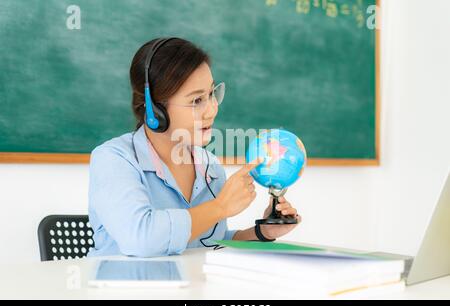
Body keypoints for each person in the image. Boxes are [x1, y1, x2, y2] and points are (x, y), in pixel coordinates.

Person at [88, 37, 301, 257]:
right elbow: (142, 239)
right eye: (196, 101)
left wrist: (261, 232)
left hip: (188, 289)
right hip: (122, 289)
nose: (212, 110)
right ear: (154, 110)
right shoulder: (113, 160)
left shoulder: (209, 167)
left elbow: (206, 242)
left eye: (211, 94)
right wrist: (219, 207)